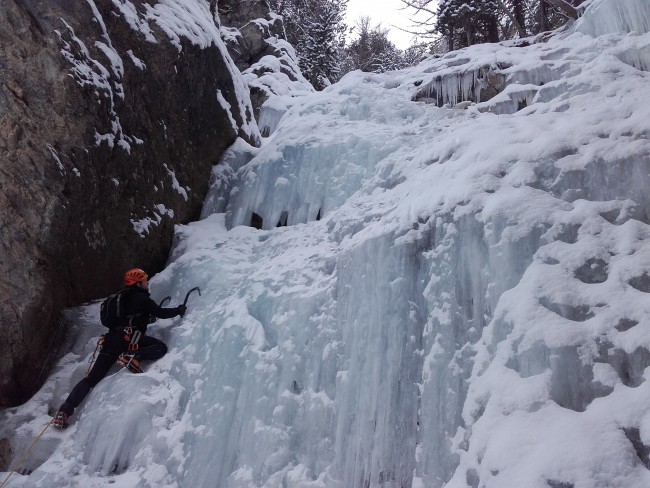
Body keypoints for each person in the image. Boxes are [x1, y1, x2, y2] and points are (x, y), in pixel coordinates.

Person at [53, 268, 186, 430]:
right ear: (138, 283)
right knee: (160, 347)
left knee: (90, 379)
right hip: (128, 339)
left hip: (110, 341)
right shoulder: (141, 298)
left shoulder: (121, 298)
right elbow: (161, 313)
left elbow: (132, 317)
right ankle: (133, 357)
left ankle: (64, 412)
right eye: (144, 281)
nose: (147, 283)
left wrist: (145, 319)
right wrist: (178, 310)